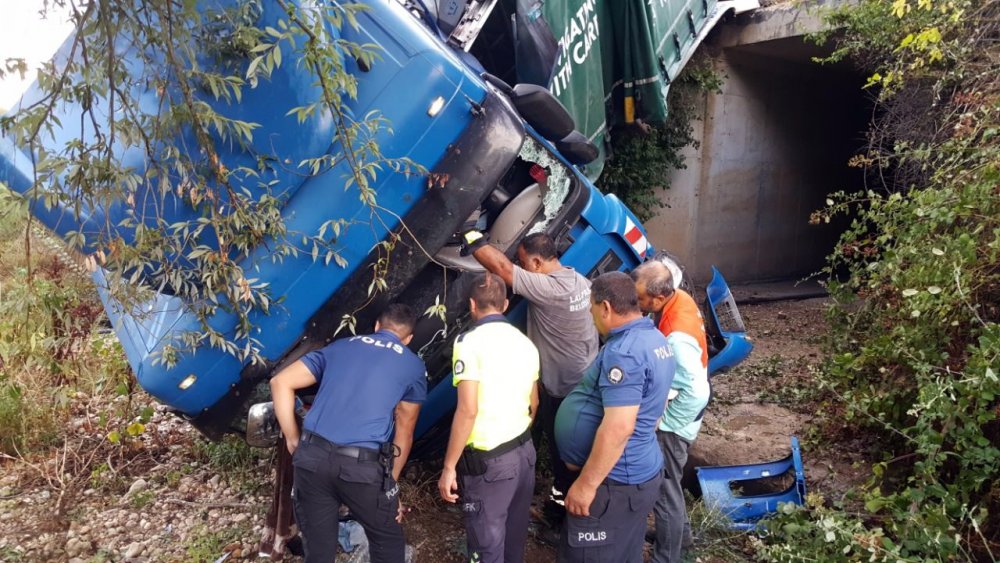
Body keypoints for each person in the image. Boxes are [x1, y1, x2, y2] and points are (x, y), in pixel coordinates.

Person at [270, 304, 427, 563]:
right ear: (408, 339)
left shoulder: (341, 346)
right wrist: (391, 484)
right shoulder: (413, 366)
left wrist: (292, 437)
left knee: (318, 552)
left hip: (312, 460)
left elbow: (280, 382)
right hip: (361, 469)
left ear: (377, 326)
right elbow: (405, 430)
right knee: (387, 541)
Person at [462, 218, 598, 516]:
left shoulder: (548, 288)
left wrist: (470, 233)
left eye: (524, 262)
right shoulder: (579, 281)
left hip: (564, 388)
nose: (521, 267)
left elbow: (503, 270)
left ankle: (563, 513)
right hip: (582, 378)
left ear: (537, 263)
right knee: (568, 447)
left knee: (564, 451)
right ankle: (560, 501)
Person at [553, 271, 676, 562]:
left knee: (586, 556)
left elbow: (619, 427)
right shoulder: (655, 339)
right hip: (634, 477)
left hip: (614, 485)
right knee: (623, 552)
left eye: (592, 308)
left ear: (606, 307)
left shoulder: (625, 353)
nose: (591, 315)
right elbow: (656, 407)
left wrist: (586, 485)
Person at [438, 272, 540, 563]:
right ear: (505, 304)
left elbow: (467, 410)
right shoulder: (525, 343)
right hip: (524, 453)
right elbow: (534, 402)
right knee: (513, 538)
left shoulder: (468, 343)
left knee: (486, 545)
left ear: (472, 304)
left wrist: (449, 467)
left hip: (491, 463)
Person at [631, 260, 711, 563]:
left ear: (660, 297)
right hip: (681, 411)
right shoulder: (678, 299)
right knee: (671, 486)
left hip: (677, 423)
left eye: (640, 299)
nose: (636, 303)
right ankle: (680, 539)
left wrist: (666, 424)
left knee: (664, 492)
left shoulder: (677, 337)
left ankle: (667, 557)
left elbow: (697, 391)